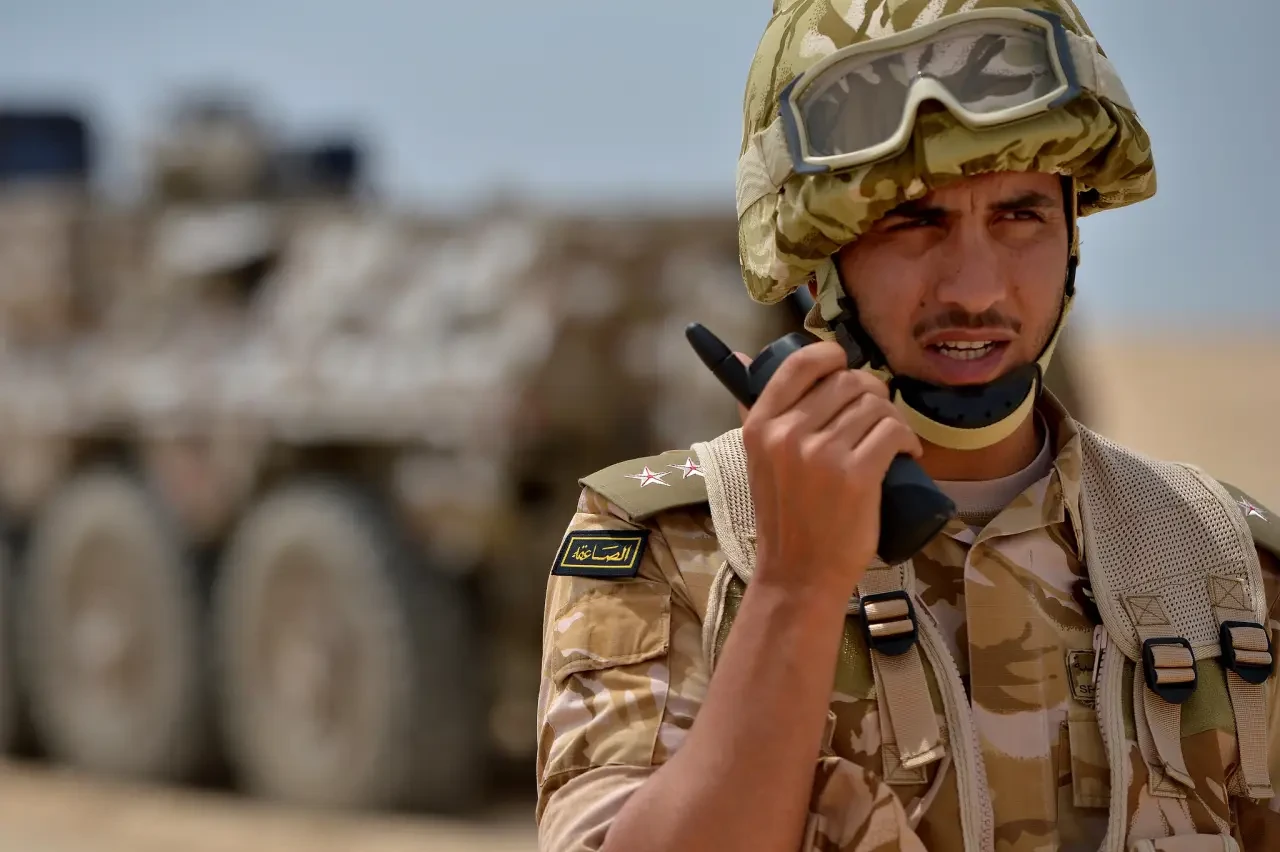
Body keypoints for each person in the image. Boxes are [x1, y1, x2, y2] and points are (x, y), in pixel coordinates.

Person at [535, 2, 1280, 850]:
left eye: (1021, 214)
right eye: (912, 222)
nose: (975, 288)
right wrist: (793, 589)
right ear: (817, 264)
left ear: (1073, 232)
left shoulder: (1225, 566)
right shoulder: (673, 550)